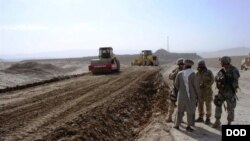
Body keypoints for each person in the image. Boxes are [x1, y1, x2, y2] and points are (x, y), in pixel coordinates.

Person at [212, 56, 240, 128]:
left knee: (230, 108)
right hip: (222, 92)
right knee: (217, 104)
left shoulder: (234, 70)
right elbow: (216, 78)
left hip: (230, 92)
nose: (221, 63)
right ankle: (217, 121)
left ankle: (229, 123)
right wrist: (219, 83)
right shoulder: (222, 70)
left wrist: (227, 85)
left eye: (221, 62)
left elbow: (235, 82)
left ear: (225, 62)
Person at [173, 59, 199, 132]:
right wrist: (197, 96)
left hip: (181, 96)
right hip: (190, 96)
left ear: (185, 65)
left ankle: (177, 125)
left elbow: (176, 84)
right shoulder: (193, 74)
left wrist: (181, 91)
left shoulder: (180, 73)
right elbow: (196, 86)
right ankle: (188, 126)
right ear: (190, 66)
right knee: (190, 111)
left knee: (179, 110)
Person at [195, 60, 214, 125]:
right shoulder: (197, 73)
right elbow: (195, 83)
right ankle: (200, 117)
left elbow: (212, 81)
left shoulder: (209, 72)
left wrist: (205, 85)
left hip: (207, 92)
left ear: (204, 65)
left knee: (208, 105)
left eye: (202, 65)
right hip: (200, 93)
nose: (200, 66)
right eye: (199, 65)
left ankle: (208, 119)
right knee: (200, 105)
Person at [166, 58, 184, 122]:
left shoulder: (186, 71)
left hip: (182, 91)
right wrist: (175, 73)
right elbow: (170, 77)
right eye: (180, 64)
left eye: (183, 64)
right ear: (178, 65)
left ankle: (180, 118)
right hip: (175, 90)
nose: (182, 65)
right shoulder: (176, 70)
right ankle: (169, 116)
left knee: (181, 105)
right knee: (172, 103)